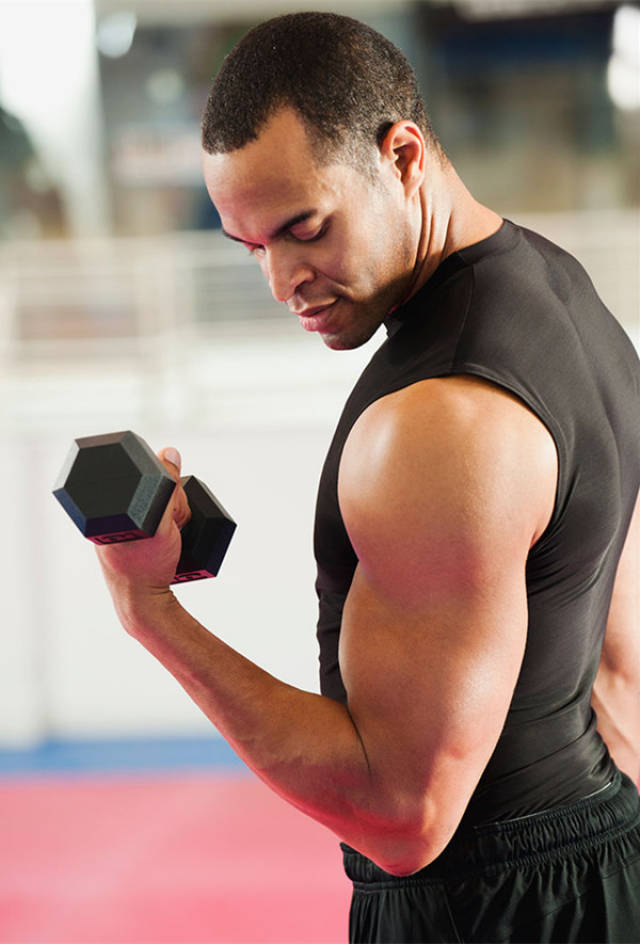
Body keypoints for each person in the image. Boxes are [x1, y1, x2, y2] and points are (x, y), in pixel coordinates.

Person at [95, 12, 640, 943]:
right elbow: (617, 671)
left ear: (403, 153)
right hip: (603, 867)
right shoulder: (565, 298)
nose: (283, 280)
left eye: (305, 228)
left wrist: (152, 613)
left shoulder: (435, 424)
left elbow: (402, 818)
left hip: (489, 912)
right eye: (253, 246)